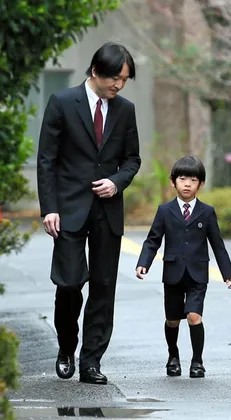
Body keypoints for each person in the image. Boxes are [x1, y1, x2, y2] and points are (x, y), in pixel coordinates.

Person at [37, 42, 141, 385]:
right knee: (68, 283)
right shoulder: (63, 103)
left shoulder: (125, 110)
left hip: (107, 210)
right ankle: (67, 344)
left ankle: (91, 361)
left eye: (125, 80)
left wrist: (117, 182)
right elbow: (47, 159)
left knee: (103, 286)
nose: (120, 86)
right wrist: (49, 207)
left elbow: (132, 160)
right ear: (96, 71)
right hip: (67, 208)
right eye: (116, 78)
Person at [136, 156, 231, 378]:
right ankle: (173, 356)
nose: (187, 184)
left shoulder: (207, 212)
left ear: (201, 184)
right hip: (172, 273)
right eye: (182, 178)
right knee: (172, 319)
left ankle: (197, 361)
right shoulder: (164, 211)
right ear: (173, 182)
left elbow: (218, 245)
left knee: (193, 316)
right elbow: (153, 240)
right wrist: (144, 263)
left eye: (193, 179)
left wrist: (227, 273)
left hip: (198, 274)